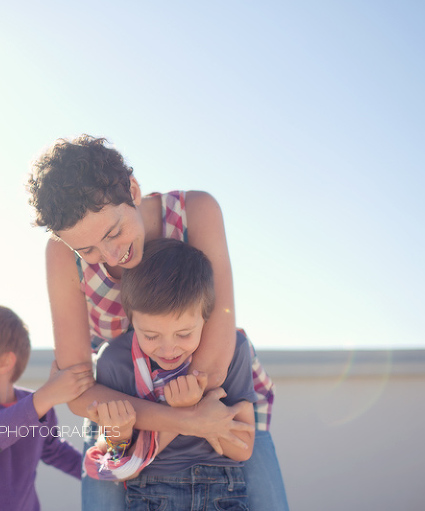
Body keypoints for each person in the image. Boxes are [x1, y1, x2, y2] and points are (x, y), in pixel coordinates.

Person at [28, 135, 290, 510]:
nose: (109, 255)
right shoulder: (61, 255)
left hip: (219, 398)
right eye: (87, 250)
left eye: (114, 232)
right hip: (118, 416)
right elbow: (80, 390)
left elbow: (214, 361)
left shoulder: (195, 211)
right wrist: (187, 421)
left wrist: (192, 417)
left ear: (133, 190)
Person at [85, 238, 256, 510]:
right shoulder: (115, 362)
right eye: (150, 335)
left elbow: (243, 449)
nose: (168, 348)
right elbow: (118, 461)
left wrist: (187, 412)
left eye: (184, 334)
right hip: (151, 492)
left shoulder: (232, 350)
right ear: (131, 318)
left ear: (207, 316)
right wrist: (186, 412)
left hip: (222, 490)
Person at [0, 303, 94, 511]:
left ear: (4, 362)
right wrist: (46, 396)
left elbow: (55, 451)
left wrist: (98, 472)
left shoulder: (38, 407)